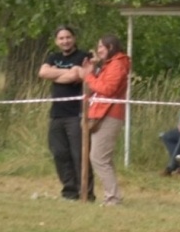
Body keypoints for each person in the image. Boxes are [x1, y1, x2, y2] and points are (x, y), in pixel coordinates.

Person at [38, 25, 91, 201]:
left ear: (74, 38)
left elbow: (76, 76)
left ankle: (86, 192)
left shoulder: (84, 56)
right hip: (56, 114)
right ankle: (69, 191)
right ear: (56, 41)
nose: (65, 41)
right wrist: (68, 72)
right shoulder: (54, 57)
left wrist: (59, 74)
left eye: (68, 37)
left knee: (79, 155)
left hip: (76, 114)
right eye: (61, 38)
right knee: (60, 153)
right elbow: (43, 72)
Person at [82, 34, 130, 205]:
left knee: (98, 157)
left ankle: (113, 197)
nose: (98, 50)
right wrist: (94, 68)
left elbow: (108, 89)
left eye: (101, 47)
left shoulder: (117, 64)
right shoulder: (110, 64)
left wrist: (88, 77)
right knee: (102, 158)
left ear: (110, 47)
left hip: (110, 114)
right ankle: (112, 195)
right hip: (101, 112)